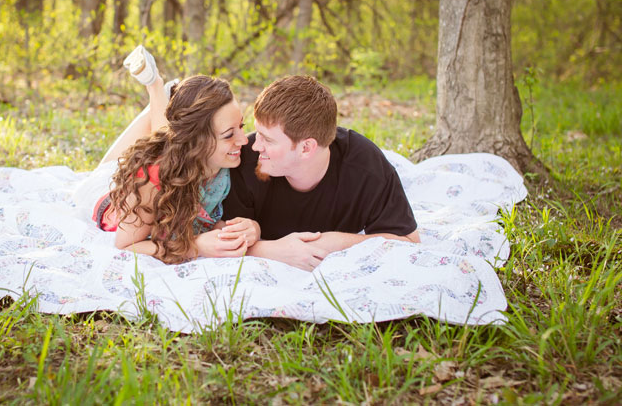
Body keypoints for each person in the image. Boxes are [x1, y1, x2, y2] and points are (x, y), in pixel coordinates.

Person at [214, 75, 420, 271]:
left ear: (306, 148)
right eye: (258, 133)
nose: (255, 145)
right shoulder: (245, 160)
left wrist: (337, 242)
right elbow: (216, 234)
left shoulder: (364, 166)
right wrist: (272, 250)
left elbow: (409, 241)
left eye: (268, 140)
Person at [75, 46, 259, 264]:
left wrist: (247, 229)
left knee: (167, 139)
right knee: (160, 143)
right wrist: (195, 246)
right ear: (197, 141)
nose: (244, 140)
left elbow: (206, 217)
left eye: (241, 126)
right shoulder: (151, 181)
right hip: (102, 196)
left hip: (179, 154)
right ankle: (156, 88)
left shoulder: (220, 164)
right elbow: (126, 244)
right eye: (229, 134)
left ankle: (160, 91)